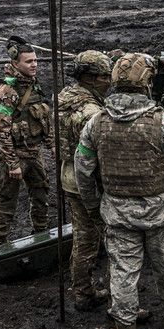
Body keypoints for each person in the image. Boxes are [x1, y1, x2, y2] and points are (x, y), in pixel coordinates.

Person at [74, 52, 164, 329]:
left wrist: (93, 206)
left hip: (117, 214)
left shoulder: (96, 123)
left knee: (122, 272)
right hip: (161, 214)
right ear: (147, 84)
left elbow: (82, 170)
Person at [57, 50, 113, 311]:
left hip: (69, 176)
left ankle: (83, 293)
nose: (109, 80)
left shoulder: (63, 98)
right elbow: (102, 155)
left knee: (82, 239)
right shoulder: (92, 113)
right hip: (90, 183)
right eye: (104, 76)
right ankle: (119, 300)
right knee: (110, 239)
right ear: (90, 78)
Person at [0, 36, 54, 244]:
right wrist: (12, 163)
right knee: (7, 200)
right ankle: (0, 242)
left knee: (41, 194)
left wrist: (51, 144)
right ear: (15, 64)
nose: (34, 65)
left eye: (35, 60)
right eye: (29, 61)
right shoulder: (6, 92)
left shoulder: (34, 86)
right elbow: (2, 131)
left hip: (34, 152)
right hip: (14, 156)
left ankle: (41, 234)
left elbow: (43, 117)